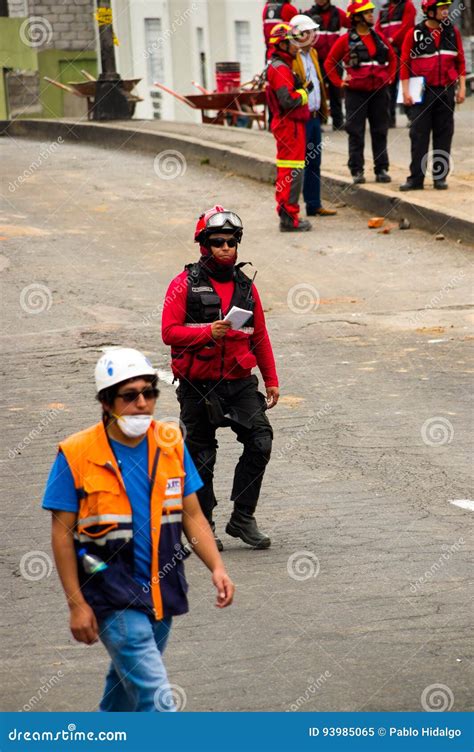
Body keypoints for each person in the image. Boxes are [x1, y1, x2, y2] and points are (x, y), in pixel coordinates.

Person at [42, 347, 234, 712]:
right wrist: (76, 604)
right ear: (106, 402)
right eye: (130, 396)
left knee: (123, 692)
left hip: (163, 592)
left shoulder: (169, 442)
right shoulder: (76, 454)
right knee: (156, 698)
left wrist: (218, 568)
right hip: (112, 595)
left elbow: (192, 514)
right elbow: (62, 535)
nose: (143, 403)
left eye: (149, 393)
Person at [162, 207, 279, 551]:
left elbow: (260, 335)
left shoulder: (246, 287)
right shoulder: (183, 284)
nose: (226, 248)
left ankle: (242, 518)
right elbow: (168, 332)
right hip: (198, 386)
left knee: (261, 441)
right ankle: (203, 526)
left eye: (231, 241)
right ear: (204, 245)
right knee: (201, 458)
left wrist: (270, 378)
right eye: (218, 242)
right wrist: (206, 333)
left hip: (240, 382)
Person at [325, 0, 397, 185]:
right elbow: (329, 63)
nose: (372, 15)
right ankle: (357, 170)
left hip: (379, 93)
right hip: (355, 94)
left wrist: (389, 78)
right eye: (367, 13)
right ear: (356, 18)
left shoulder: (379, 38)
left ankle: (381, 169)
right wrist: (339, 82)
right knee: (355, 132)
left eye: (371, 12)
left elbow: (394, 59)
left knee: (380, 131)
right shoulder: (345, 40)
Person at [399, 0, 466, 191]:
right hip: (421, 93)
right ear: (429, 11)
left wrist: (461, 88)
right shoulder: (414, 33)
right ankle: (416, 179)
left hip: (445, 91)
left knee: (444, 135)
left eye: (447, 8)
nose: (446, 12)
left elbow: (460, 61)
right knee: (419, 135)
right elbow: (404, 63)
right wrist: (405, 91)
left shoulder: (452, 32)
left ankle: (439, 177)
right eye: (442, 8)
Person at [290, 14, 338, 218]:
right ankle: (292, 207)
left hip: (314, 117)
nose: (314, 35)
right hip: (300, 117)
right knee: (298, 164)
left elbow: (318, 82)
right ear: (299, 34)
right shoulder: (292, 58)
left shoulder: (314, 54)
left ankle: (313, 203)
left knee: (314, 162)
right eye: (310, 31)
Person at [266, 22, 313, 231]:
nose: (297, 46)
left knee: (291, 171)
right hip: (289, 127)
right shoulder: (281, 69)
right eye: (293, 42)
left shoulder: (280, 66)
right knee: (291, 172)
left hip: (290, 126)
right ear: (282, 45)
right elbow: (287, 100)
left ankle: (288, 215)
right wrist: (304, 93)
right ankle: (289, 218)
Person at [303, 0, 351, 130]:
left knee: (336, 90)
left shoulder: (338, 13)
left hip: (335, 60)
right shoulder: (308, 15)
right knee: (317, 91)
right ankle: (318, 122)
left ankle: (338, 122)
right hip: (315, 61)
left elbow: (353, 24)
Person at [375, 0, 416, 127]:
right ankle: (389, 118)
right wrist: (383, 42)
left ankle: (412, 116)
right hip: (389, 53)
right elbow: (377, 28)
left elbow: (407, 26)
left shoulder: (407, 5)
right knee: (390, 85)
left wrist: (392, 39)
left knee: (406, 83)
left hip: (403, 52)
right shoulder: (384, 9)